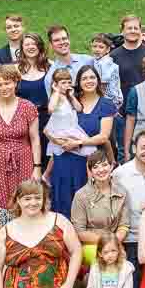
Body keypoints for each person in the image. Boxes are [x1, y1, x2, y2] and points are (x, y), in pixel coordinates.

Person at [49, 66, 114, 219]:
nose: (89, 81)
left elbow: (104, 137)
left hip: (89, 163)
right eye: (84, 78)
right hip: (64, 159)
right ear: (78, 82)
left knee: (88, 207)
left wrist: (78, 143)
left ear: (98, 80)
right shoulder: (69, 101)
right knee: (64, 204)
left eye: (92, 77)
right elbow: (52, 125)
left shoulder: (105, 104)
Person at [0, 64, 41, 208]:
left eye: (7, 83)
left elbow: (35, 139)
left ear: (15, 83)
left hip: (24, 159)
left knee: (24, 200)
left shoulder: (28, 107)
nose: (4, 88)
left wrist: (37, 167)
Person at [112, 131, 145, 288]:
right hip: (130, 238)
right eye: (143, 147)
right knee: (132, 285)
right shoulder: (120, 174)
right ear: (134, 148)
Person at [70, 151, 132, 269]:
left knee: (123, 266)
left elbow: (124, 225)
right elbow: (79, 231)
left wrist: (114, 243)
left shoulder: (122, 191)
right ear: (91, 172)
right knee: (105, 261)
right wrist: (107, 243)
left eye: (104, 165)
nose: (101, 170)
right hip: (91, 245)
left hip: (116, 243)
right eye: (95, 167)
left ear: (111, 166)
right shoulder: (81, 195)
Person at [44, 67, 89, 213]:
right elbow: (50, 109)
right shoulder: (56, 96)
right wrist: (56, 91)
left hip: (72, 129)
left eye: (69, 82)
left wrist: (71, 95)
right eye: (63, 82)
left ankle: (47, 175)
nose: (67, 85)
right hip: (60, 129)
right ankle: (47, 175)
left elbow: (79, 108)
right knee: (58, 154)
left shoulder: (69, 97)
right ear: (56, 84)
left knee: (86, 150)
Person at [15, 33, 52, 166]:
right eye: (27, 44)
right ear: (22, 48)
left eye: (34, 43)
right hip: (22, 121)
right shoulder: (15, 70)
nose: (31, 47)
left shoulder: (50, 67)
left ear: (40, 46)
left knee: (46, 159)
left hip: (46, 119)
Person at [111, 15, 145, 108]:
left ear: (140, 31)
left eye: (136, 28)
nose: (133, 31)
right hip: (124, 107)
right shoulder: (113, 56)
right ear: (122, 31)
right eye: (129, 28)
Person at [44, 24, 94, 98]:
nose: (62, 42)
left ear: (69, 40)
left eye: (64, 38)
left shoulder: (88, 60)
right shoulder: (51, 77)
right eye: (57, 40)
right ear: (51, 44)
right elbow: (54, 106)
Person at [91, 33, 125, 112]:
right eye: (94, 46)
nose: (97, 49)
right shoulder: (98, 61)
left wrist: (96, 102)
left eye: (101, 47)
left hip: (110, 98)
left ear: (108, 50)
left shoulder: (106, 63)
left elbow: (103, 84)